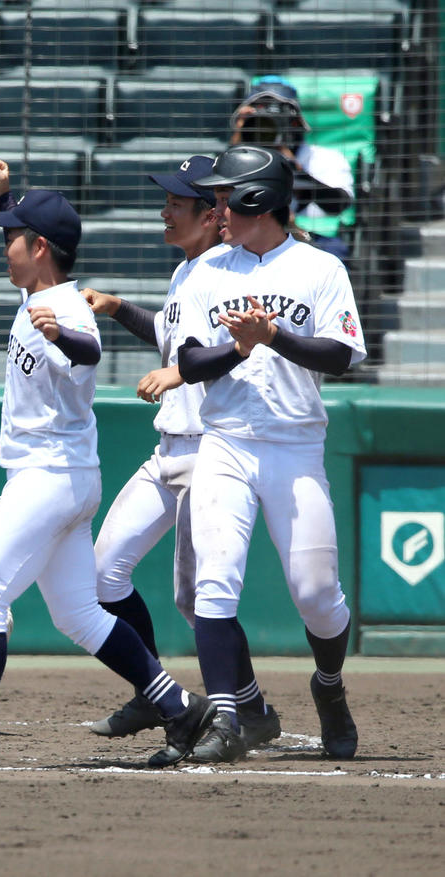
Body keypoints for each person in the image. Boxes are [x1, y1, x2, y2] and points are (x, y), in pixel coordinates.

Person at [0, 166, 215, 770]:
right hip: (65, 477)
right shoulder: (39, 294)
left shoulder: (65, 308)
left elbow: (89, 349)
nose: (5, 246)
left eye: (11, 236)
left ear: (39, 247)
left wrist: (68, 338)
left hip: (49, 476)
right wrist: (2, 197)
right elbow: (40, 277)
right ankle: (178, 705)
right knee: (77, 614)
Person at [80, 157, 283, 757]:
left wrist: (176, 371)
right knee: (103, 571)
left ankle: (249, 710)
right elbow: (175, 340)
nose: (164, 210)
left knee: (199, 602)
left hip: (210, 449)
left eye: (176, 202)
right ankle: (154, 687)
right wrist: (120, 310)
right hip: (167, 447)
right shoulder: (186, 272)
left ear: (214, 215)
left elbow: (232, 351)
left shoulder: (229, 272)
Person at [175, 145, 364, 763]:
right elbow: (189, 362)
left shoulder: (318, 268)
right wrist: (244, 347)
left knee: (315, 593)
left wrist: (275, 336)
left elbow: (340, 354)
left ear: (258, 200)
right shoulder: (209, 272)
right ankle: (228, 719)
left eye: (227, 196)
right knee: (214, 582)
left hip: (295, 446)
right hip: (225, 442)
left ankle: (329, 686)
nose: (217, 207)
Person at [229, 76, 355, 262]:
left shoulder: (325, 158)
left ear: (294, 121)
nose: (265, 129)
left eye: (272, 121)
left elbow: (340, 205)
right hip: (247, 241)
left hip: (312, 241)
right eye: (259, 120)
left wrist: (289, 164)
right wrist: (237, 143)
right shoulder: (238, 160)